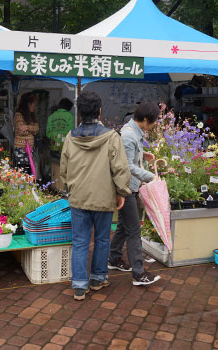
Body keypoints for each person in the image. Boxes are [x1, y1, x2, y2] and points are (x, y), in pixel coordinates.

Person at [60, 91, 132, 301]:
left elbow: (64, 171)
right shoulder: (111, 137)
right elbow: (120, 169)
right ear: (100, 111)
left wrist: (70, 187)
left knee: (80, 241)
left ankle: (80, 286)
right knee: (102, 239)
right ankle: (98, 279)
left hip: (78, 198)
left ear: (79, 111)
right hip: (104, 197)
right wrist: (122, 192)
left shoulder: (70, 137)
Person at [109, 101, 161, 286]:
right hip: (127, 188)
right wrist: (150, 177)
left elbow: (128, 156)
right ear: (146, 119)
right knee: (134, 230)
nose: (155, 124)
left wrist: (143, 155)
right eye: (154, 121)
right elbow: (127, 166)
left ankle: (114, 258)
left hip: (130, 186)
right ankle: (139, 274)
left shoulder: (131, 130)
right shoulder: (130, 136)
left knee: (124, 225)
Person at [13, 92, 39, 174]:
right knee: (23, 171)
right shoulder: (18, 115)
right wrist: (31, 129)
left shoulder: (31, 116)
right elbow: (21, 130)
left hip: (30, 149)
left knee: (29, 171)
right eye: (33, 104)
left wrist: (27, 127)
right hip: (21, 150)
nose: (34, 107)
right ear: (28, 104)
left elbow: (37, 129)